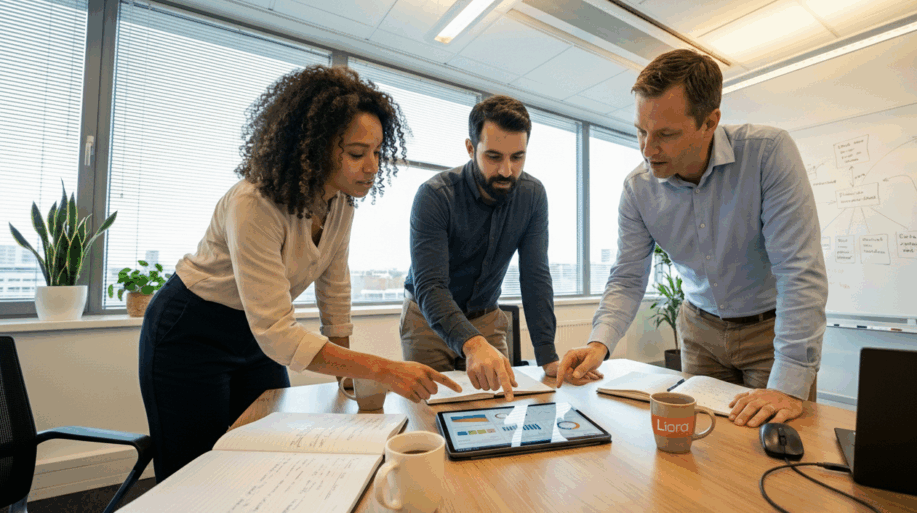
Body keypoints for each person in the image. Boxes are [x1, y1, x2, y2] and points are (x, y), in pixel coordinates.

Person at [139, 65, 461, 482]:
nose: (372, 166)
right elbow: (276, 330)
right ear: (314, 147)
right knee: (196, 471)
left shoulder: (342, 203)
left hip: (253, 336)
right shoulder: (253, 203)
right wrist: (381, 369)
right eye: (357, 153)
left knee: (266, 451)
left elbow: (334, 284)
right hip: (189, 332)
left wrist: (349, 375)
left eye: (378, 152)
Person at [556, 49, 827, 428]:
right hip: (699, 333)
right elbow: (627, 276)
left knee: (774, 445)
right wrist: (598, 343)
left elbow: (799, 271)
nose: (648, 151)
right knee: (703, 451)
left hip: (770, 334)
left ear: (710, 122)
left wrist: (789, 382)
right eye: (640, 131)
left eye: (666, 134)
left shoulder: (768, 154)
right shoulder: (637, 189)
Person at [401, 95, 599, 400]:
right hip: (427, 321)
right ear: (471, 148)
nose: (507, 170)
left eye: (517, 157)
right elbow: (431, 286)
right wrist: (473, 344)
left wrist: (548, 357)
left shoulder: (533, 196)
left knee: (499, 408)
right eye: (494, 157)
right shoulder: (434, 196)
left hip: (487, 318)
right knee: (432, 412)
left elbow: (535, 276)